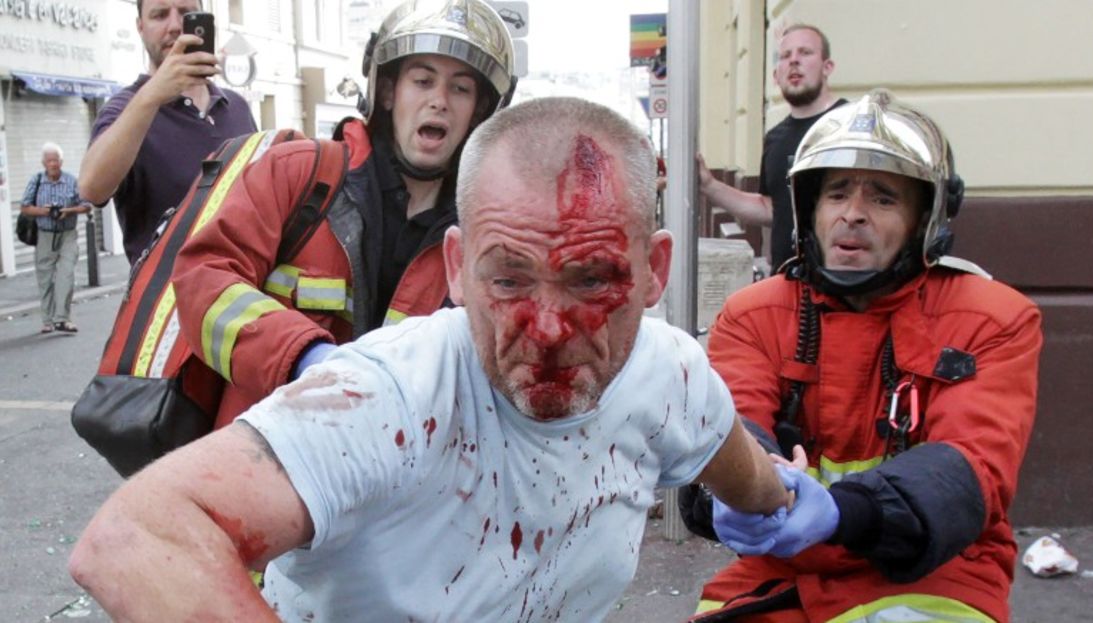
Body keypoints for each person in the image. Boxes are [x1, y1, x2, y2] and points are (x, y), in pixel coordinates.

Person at [68, 96, 791, 621]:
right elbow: (136, 536)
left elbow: (747, 474)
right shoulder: (388, 398)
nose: (545, 327)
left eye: (591, 279)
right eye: (507, 278)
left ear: (656, 270)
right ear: (455, 266)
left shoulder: (670, 373)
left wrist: (791, 502)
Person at [688, 90, 1043, 622]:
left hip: (937, 575)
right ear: (809, 209)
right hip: (779, 572)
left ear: (925, 218)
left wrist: (842, 512)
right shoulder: (754, 313)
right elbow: (727, 421)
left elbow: (972, 466)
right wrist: (731, 490)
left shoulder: (993, 318)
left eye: (882, 198)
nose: (852, 215)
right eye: (835, 194)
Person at [169, 0, 516, 429]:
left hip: (393, 477)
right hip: (268, 458)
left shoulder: (483, 232)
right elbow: (202, 280)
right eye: (423, 81)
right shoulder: (297, 173)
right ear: (388, 92)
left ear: (480, 111)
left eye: (461, 88)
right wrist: (302, 356)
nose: (439, 101)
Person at [80, 0, 256, 264]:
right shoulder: (126, 108)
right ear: (140, 27)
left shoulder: (237, 106)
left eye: (186, 14)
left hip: (244, 294)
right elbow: (92, 188)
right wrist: (151, 96)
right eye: (160, 15)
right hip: (169, 300)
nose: (174, 26)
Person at [697, 23, 847, 272]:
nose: (794, 61)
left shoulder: (850, 125)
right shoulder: (776, 139)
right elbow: (771, 208)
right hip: (787, 283)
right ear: (776, 75)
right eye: (785, 56)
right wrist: (709, 186)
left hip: (842, 286)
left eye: (805, 53)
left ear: (827, 67)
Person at [19, 143, 92, 334]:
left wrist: (68, 211)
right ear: (44, 162)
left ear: (61, 161)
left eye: (56, 160)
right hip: (44, 235)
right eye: (50, 160)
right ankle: (47, 320)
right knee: (45, 278)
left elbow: (86, 206)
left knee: (66, 275)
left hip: (67, 234)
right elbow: (25, 207)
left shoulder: (71, 180)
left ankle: (63, 318)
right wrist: (45, 211)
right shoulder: (36, 181)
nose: (53, 164)